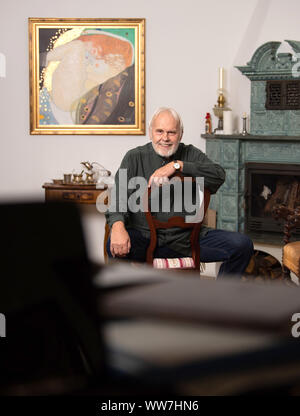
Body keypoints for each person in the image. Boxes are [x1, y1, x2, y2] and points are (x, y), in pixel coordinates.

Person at [105, 107, 254, 278]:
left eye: (171, 132)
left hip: (187, 240)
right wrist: (117, 226)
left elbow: (219, 174)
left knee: (242, 245)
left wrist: (178, 165)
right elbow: (118, 198)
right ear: (150, 132)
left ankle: (220, 298)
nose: (165, 138)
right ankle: (127, 302)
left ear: (181, 134)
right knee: (115, 244)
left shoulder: (190, 154)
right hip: (143, 238)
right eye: (159, 131)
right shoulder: (134, 157)